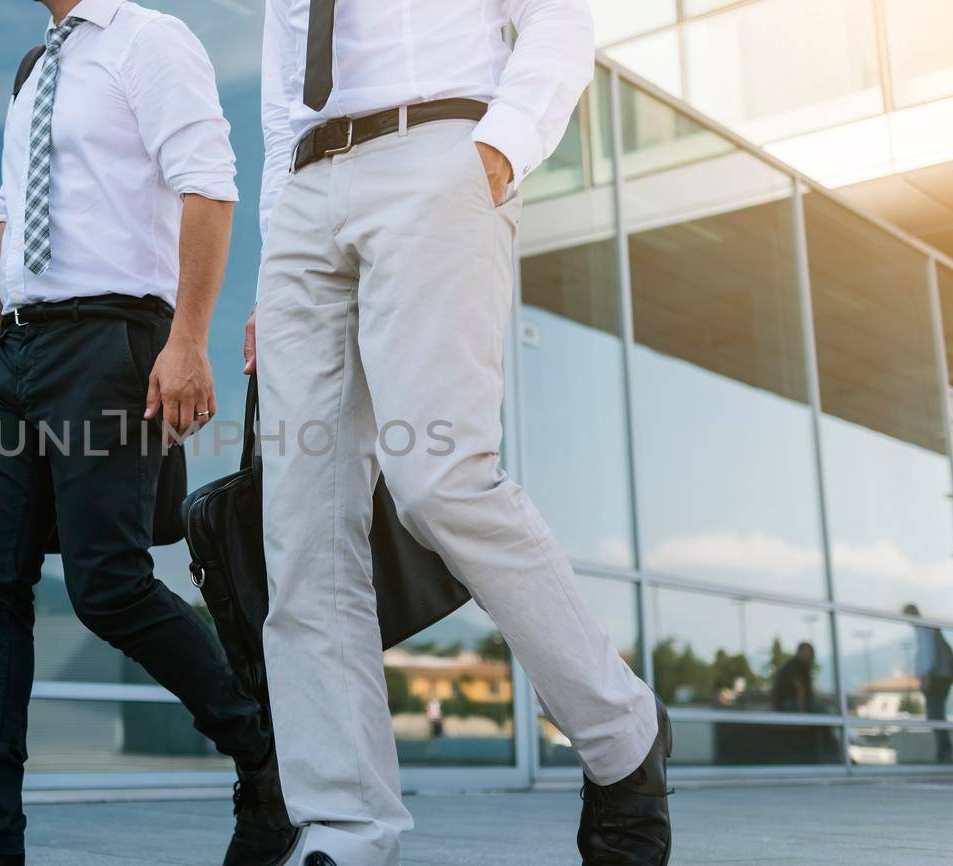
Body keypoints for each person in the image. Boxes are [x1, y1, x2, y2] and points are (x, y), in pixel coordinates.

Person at [244, 1, 673, 863]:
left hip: (437, 151)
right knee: (301, 530)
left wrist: (501, 147)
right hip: (305, 189)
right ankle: (344, 826)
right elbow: (283, 94)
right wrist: (272, 246)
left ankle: (622, 734)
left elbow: (558, 16)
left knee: (441, 480)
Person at [0, 2, 296, 864]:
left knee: (107, 583)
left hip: (109, 341)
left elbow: (209, 183)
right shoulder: (34, 71)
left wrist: (188, 339)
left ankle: (270, 759)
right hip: (9, 356)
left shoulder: (151, 41)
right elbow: (13, 202)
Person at [907, 604, 953, 763]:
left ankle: (944, 753)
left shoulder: (924, 629)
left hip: (935, 678)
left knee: (935, 715)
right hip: (941, 677)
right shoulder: (931, 630)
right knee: (938, 714)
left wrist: (926, 677)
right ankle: (944, 751)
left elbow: (929, 655)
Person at [772, 642, 817, 714]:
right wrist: (801, 712)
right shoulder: (797, 666)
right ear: (799, 652)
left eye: (808, 652)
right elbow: (799, 688)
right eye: (804, 651)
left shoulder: (795, 665)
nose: (807, 654)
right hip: (789, 705)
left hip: (785, 705)